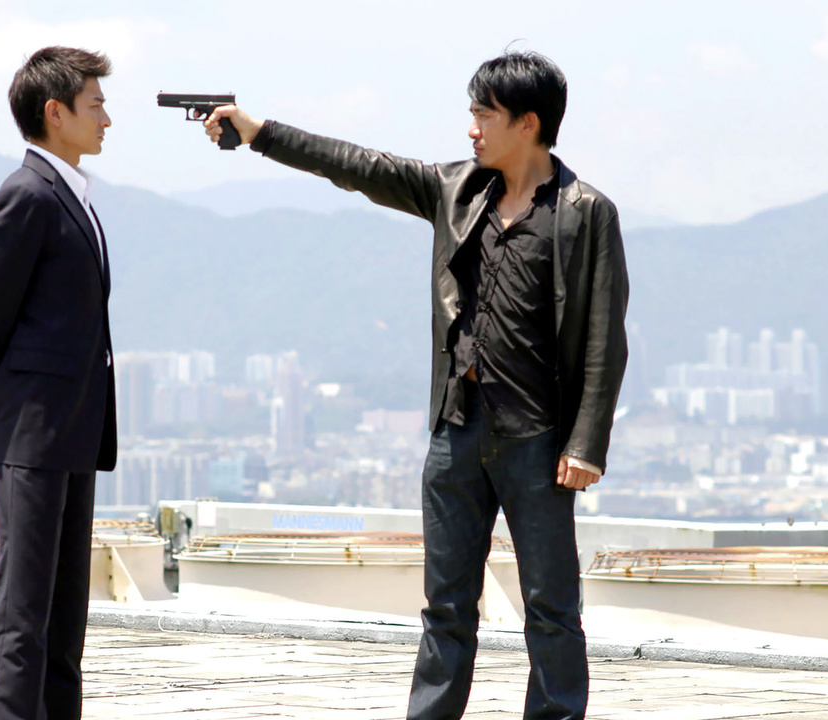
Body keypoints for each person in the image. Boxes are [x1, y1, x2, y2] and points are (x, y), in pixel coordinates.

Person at [204, 51, 627, 720]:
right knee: (446, 606)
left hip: (538, 440)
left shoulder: (585, 211)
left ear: (528, 123)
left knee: (551, 607)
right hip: (456, 429)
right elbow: (359, 166)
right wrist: (260, 134)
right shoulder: (454, 189)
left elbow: (605, 334)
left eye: (484, 114)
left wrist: (585, 444)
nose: (471, 128)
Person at [0, 46, 117, 720]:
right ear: (56, 112)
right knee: (22, 610)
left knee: (64, 614)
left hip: (72, 429)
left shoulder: (72, 194)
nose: (107, 119)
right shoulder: (27, 194)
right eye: (95, 104)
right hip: (30, 430)